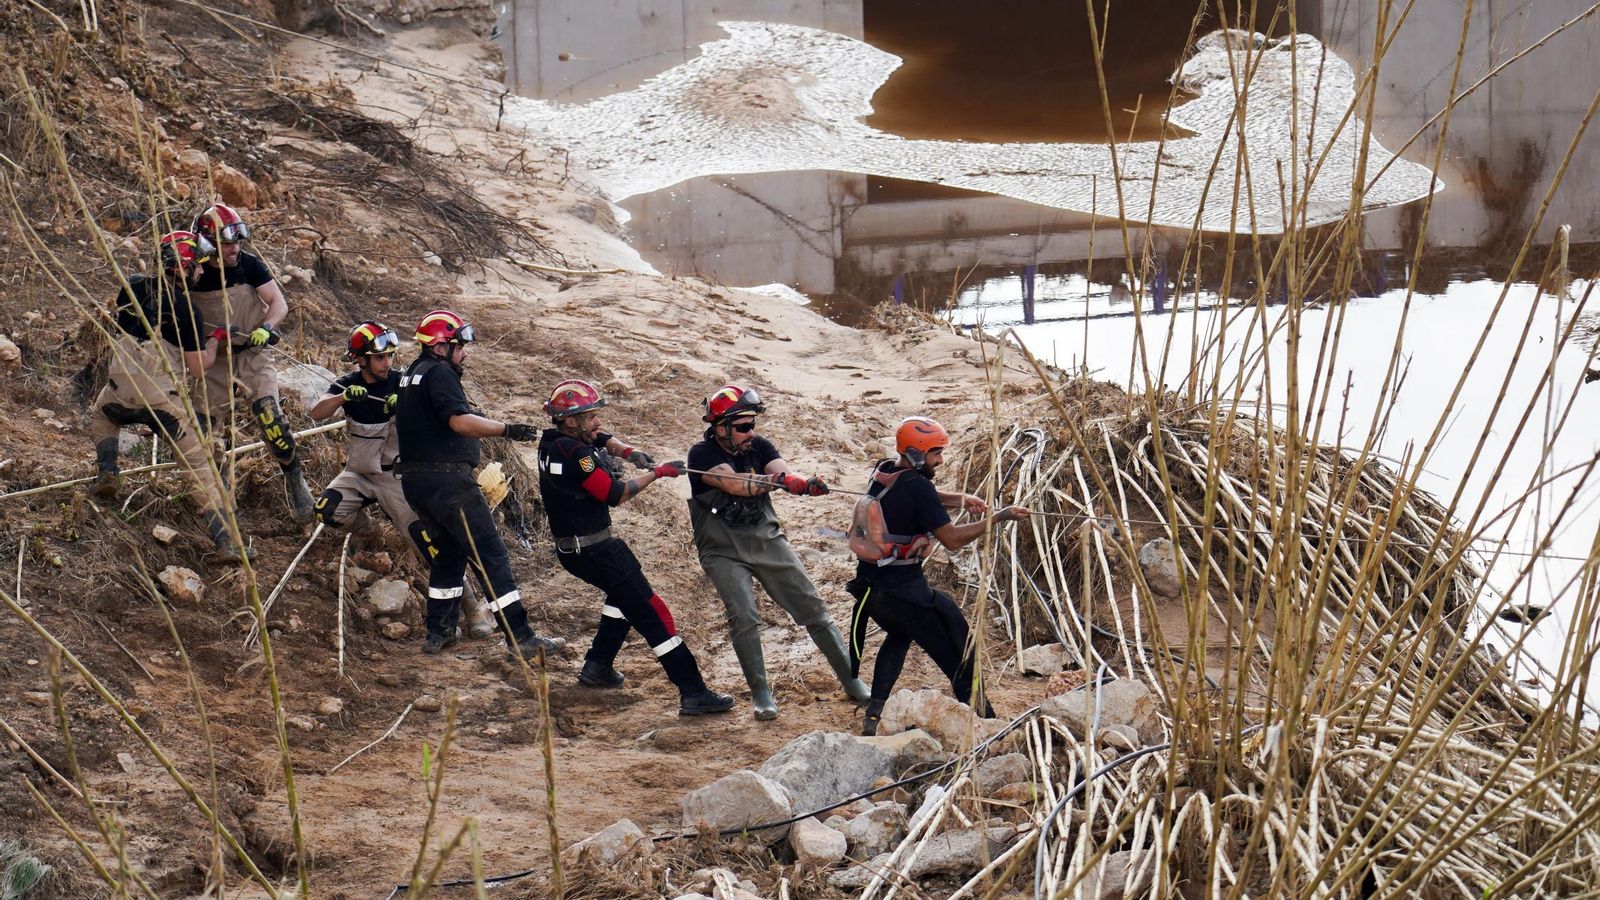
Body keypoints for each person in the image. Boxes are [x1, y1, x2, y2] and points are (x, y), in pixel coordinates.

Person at [537, 379, 734, 716]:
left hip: (574, 551)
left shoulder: (553, 443)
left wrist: (629, 452)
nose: (597, 422)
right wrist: (658, 473)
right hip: (597, 551)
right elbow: (614, 494)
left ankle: (598, 666)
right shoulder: (579, 456)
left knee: (621, 599)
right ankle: (693, 691)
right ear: (570, 420)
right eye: (590, 415)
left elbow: (601, 439)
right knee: (653, 613)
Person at [686, 384, 869, 720]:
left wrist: (803, 483)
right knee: (743, 616)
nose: (750, 433)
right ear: (720, 427)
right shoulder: (701, 455)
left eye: (752, 424)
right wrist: (784, 482)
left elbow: (782, 471)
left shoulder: (760, 446)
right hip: (723, 551)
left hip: (767, 540)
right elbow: (735, 485)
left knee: (812, 606)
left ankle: (852, 681)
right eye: (742, 427)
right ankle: (762, 695)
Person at [393, 309, 565, 658]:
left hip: (416, 483)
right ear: (441, 348)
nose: (465, 352)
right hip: (449, 483)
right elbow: (458, 421)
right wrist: (506, 428)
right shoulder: (440, 374)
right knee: (492, 556)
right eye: (460, 346)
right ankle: (521, 638)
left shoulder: (411, 374)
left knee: (449, 556)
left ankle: (438, 632)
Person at [308, 322, 495, 641]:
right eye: (380, 358)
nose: (388, 363)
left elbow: (439, 415)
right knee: (327, 511)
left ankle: (472, 608)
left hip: (398, 478)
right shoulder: (348, 384)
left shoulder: (404, 382)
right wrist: (341, 398)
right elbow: (316, 412)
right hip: (358, 474)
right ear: (361, 361)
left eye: (391, 356)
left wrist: (405, 406)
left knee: (432, 549)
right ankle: (371, 531)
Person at [846, 416, 1030, 735]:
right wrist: (1001, 516)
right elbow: (952, 540)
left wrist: (960, 499)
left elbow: (919, 493)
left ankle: (873, 716)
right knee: (956, 651)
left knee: (899, 635)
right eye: (935, 453)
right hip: (905, 596)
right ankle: (986, 719)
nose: (940, 460)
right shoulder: (919, 488)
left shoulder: (886, 469)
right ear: (917, 454)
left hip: (871, 591)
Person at [89, 231, 249, 563]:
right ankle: (226, 545)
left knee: (101, 416)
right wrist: (215, 341)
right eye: (197, 267)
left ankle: (108, 470)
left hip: (118, 393)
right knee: (200, 465)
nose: (203, 272)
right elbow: (197, 367)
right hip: (162, 403)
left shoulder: (131, 285)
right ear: (181, 268)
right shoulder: (187, 308)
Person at [187, 203, 315, 524]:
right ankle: (220, 495)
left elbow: (278, 302)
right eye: (227, 243)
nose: (235, 249)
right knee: (206, 432)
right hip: (214, 359)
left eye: (236, 241)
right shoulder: (194, 274)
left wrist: (266, 328)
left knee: (271, 417)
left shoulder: (248, 265)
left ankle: (294, 478)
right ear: (208, 244)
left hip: (252, 354)